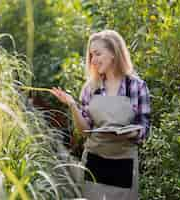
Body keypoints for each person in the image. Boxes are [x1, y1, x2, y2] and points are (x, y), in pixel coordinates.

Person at [50, 30, 151, 200]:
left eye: (97, 54)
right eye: (91, 55)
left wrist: (130, 133)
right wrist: (72, 105)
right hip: (94, 162)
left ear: (113, 53)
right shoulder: (90, 88)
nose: (93, 60)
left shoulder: (136, 86)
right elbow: (84, 130)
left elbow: (144, 128)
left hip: (123, 163)